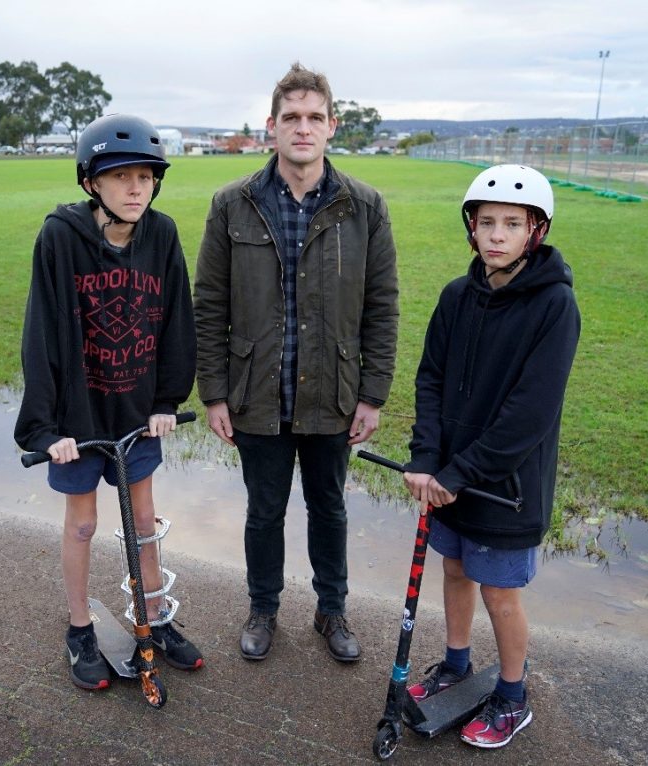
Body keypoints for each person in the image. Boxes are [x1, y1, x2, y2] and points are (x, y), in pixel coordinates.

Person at [193, 62, 399, 663]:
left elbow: (382, 306)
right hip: (257, 392)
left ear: (332, 126)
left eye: (314, 117)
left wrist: (373, 394)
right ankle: (263, 608)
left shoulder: (365, 207)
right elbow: (209, 305)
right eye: (291, 117)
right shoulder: (232, 205)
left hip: (332, 392)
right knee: (264, 512)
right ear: (272, 126)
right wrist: (214, 392)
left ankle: (332, 610)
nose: (302, 128)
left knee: (329, 509)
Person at [14, 114, 202, 690]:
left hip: (136, 411)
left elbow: (177, 320)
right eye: (121, 176)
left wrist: (167, 399)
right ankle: (80, 629)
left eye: (145, 177)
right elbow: (41, 331)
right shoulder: (60, 237)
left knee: (143, 521)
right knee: (83, 525)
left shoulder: (161, 235)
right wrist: (45, 430)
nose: (135, 188)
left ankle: (154, 618)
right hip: (78, 416)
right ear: (91, 181)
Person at [402, 164, 580, 748]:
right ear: (471, 228)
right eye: (486, 223)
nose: (496, 235)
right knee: (454, 570)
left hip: (505, 487)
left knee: (499, 592)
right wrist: (426, 457)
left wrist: (462, 471)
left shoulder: (555, 306)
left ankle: (511, 694)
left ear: (536, 231)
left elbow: (530, 412)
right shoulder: (457, 296)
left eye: (512, 224)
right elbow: (430, 379)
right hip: (449, 478)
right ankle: (456, 664)